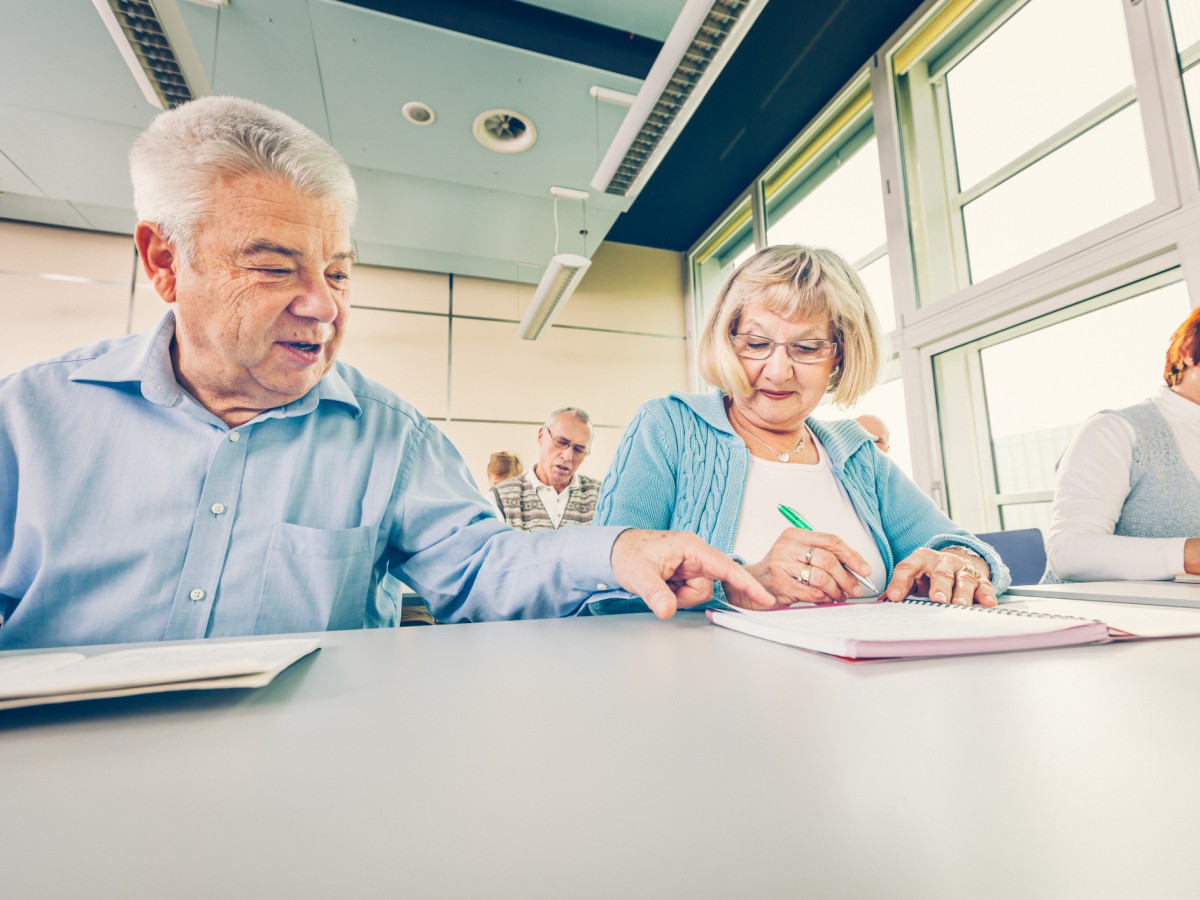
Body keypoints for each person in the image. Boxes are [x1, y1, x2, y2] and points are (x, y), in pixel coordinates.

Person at [0, 96, 770, 650]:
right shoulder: (30, 420)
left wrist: (617, 551)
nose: (322, 307)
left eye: (338, 274)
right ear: (165, 262)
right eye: (274, 268)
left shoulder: (388, 436)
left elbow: (478, 566)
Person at [594, 245, 1010, 612]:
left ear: (840, 356)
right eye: (756, 344)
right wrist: (743, 586)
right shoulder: (669, 428)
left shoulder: (856, 453)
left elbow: (960, 546)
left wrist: (961, 561)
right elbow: (602, 590)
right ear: (727, 341)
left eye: (807, 348)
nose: (777, 372)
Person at [1044, 305, 1200, 582]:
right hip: (1098, 618)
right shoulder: (1114, 430)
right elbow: (1069, 553)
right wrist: (1189, 553)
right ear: (1189, 349)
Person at [492, 407, 599, 531]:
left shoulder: (602, 498)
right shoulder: (499, 498)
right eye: (561, 442)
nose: (568, 456)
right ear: (541, 436)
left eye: (579, 449)